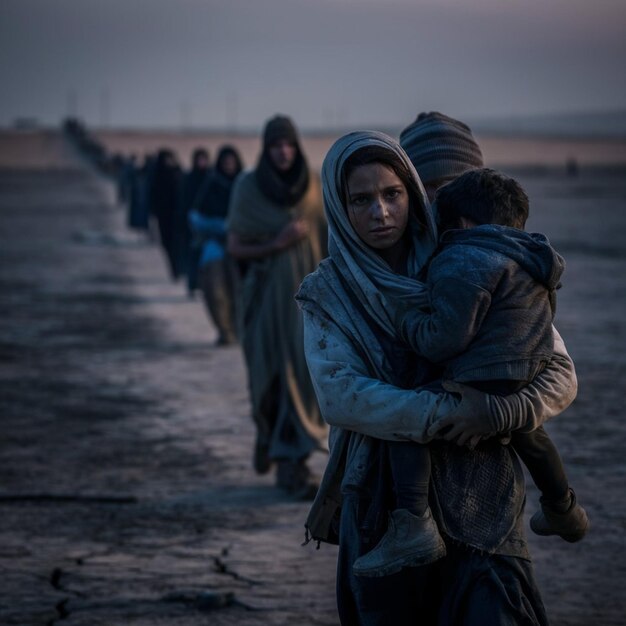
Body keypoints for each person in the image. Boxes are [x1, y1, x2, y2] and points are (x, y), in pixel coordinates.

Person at [296, 130, 578, 625]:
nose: (381, 213)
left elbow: (557, 370)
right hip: (387, 502)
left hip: (484, 490)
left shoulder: (461, 262)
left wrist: (499, 412)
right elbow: (342, 397)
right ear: (339, 209)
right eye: (361, 200)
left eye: (393, 195)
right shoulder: (329, 293)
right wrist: (450, 413)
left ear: (410, 194)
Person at [351, 167, 589, 578]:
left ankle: (412, 523)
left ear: (457, 222)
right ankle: (563, 508)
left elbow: (446, 338)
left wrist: (408, 324)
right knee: (532, 437)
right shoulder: (531, 257)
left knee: (408, 419)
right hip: (524, 374)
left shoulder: (460, 257)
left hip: (479, 376)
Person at [226, 115, 328, 497]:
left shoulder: (315, 185)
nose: (283, 152)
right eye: (275, 146)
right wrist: (278, 242)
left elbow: (330, 236)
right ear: (265, 149)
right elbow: (235, 246)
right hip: (268, 303)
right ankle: (283, 456)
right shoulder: (248, 188)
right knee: (274, 378)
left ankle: (290, 460)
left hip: (311, 304)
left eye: (288, 144)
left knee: (307, 379)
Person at [190, 145, 243, 345]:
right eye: (225, 162)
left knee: (240, 291)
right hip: (215, 245)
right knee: (214, 290)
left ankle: (239, 331)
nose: (229, 165)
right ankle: (225, 331)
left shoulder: (244, 186)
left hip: (243, 246)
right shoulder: (211, 184)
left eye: (232, 161)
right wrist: (220, 227)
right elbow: (196, 215)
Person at [179, 147, 211, 294]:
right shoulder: (189, 178)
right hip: (192, 224)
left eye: (204, 159)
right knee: (193, 255)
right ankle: (192, 285)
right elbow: (184, 201)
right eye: (200, 159)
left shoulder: (211, 178)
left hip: (208, 224)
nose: (202, 162)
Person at [150, 149, 183, 280]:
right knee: (167, 245)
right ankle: (174, 270)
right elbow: (153, 195)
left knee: (177, 245)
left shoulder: (178, 173)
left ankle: (178, 270)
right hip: (163, 216)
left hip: (178, 216)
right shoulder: (157, 175)